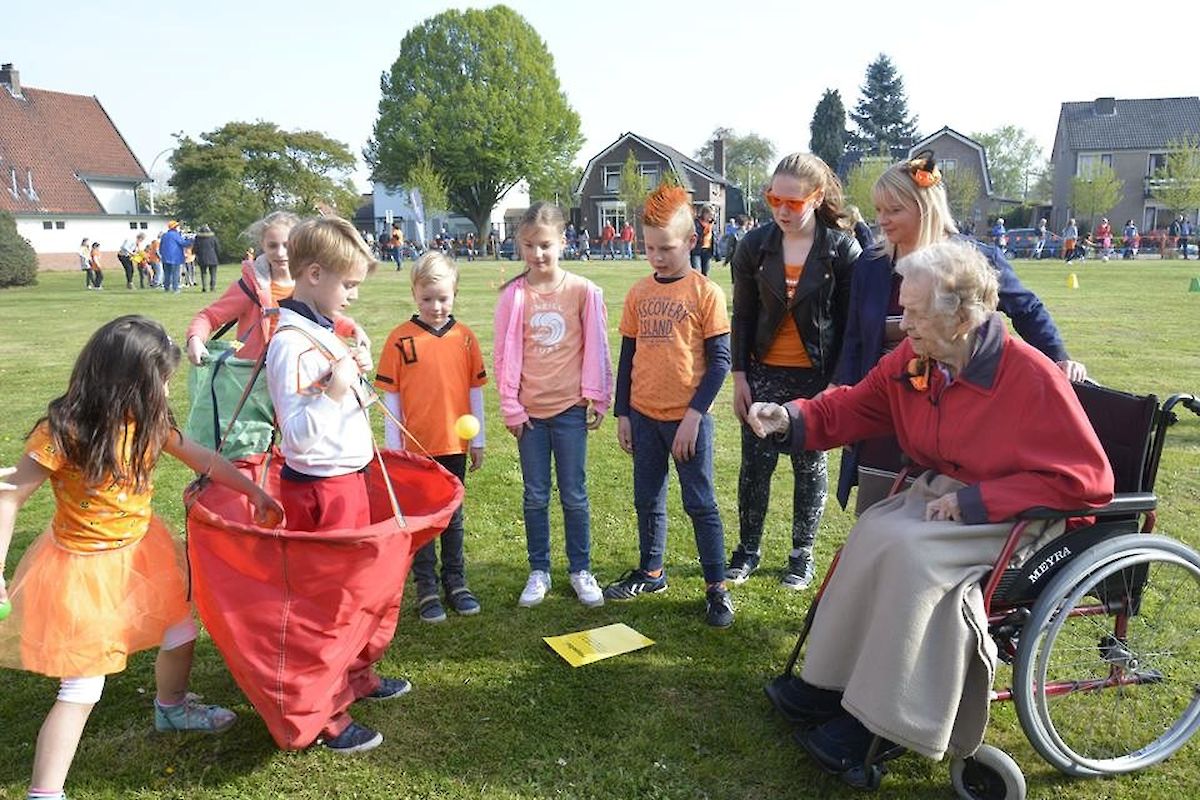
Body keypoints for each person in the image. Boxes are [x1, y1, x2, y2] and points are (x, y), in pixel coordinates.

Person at [747, 240, 1113, 781]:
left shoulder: (1030, 376)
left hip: (1016, 516)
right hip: (947, 494)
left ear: (963, 317)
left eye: (916, 311)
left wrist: (974, 502)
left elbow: (1087, 481)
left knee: (913, 560)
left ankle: (882, 722)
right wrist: (791, 419)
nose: (902, 321)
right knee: (873, 530)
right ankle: (829, 682)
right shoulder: (919, 360)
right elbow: (857, 402)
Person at [0, 315, 283, 800]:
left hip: (140, 554)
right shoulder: (63, 431)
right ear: (125, 383)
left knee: (181, 630)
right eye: (161, 383)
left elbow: (205, 459)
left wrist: (252, 491)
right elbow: (9, 497)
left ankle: (170, 706)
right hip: (81, 569)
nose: (167, 392)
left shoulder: (149, 421)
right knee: (83, 687)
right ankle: (44, 792)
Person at [835, 152, 1087, 514]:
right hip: (887, 409)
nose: (881, 220)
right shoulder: (872, 265)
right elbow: (855, 338)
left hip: (952, 415)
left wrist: (1060, 357)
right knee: (879, 515)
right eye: (878, 210)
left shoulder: (973, 259)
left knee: (939, 518)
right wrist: (846, 395)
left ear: (924, 207)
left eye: (893, 210)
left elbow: (1027, 308)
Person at [265, 215, 409, 754]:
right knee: (331, 607)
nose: (352, 294)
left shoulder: (320, 330)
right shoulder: (291, 344)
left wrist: (355, 379)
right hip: (322, 490)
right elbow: (298, 434)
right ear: (313, 273)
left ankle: (355, 677)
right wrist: (334, 390)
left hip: (347, 479)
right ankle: (325, 714)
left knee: (361, 593)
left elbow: (340, 403)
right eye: (347, 284)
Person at [725, 153, 862, 589]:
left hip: (815, 379)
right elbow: (743, 316)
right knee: (756, 467)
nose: (781, 210)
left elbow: (851, 325)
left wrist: (837, 384)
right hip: (763, 372)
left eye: (794, 202)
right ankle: (747, 551)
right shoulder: (753, 246)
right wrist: (740, 377)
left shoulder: (840, 249)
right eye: (773, 199)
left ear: (817, 198)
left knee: (809, 467)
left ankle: (801, 555)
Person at [603, 184, 734, 627]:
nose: (656, 256)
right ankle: (652, 571)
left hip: (688, 422)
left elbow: (720, 363)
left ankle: (716, 587)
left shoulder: (705, 294)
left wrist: (693, 417)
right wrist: (623, 411)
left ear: (692, 241)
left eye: (666, 248)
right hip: (644, 417)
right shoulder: (639, 293)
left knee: (700, 503)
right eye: (649, 248)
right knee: (647, 499)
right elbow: (627, 357)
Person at [493, 202, 612, 610]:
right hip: (530, 416)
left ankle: (581, 569)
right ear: (519, 246)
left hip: (569, 412)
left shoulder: (583, 291)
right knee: (535, 495)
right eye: (528, 246)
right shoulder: (514, 295)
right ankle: (539, 570)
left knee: (575, 495)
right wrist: (511, 407)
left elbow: (598, 345)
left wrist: (598, 395)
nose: (537, 254)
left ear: (563, 242)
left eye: (545, 245)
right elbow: (503, 355)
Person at [375, 251, 487, 623]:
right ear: (414, 295)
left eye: (443, 298)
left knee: (453, 517)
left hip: (455, 446)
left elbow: (475, 391)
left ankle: (456, 581)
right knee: (421, 521)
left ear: (454, 294)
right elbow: (391, 400)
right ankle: (426, 587)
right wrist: (393, 451)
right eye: (427, 299)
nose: (436, 307)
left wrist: (480, 438)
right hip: (414, 451)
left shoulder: (465, 338)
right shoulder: (400, 340)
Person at [185, 211, 368, 366]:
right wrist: (195, 338)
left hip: (299, 371)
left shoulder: (310, 283)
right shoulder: (250, 285)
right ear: (263, 246)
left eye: (287, 246)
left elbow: (324, 319)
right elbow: (209, 316)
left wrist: (353, 329)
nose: (280, 253)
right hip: (255, 378)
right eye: (273, 246)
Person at [159, 221, 190, 294]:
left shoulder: (164, 235)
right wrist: (190, 240)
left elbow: (160, 247)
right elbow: (183, 243)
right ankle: (175, 289)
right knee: (175, 273)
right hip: (175, 258)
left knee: (167, 274)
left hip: (165, 258)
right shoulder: (176, 235)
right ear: (175, 227)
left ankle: (166, 288)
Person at [689, 204, 718, 275]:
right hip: (697, 250)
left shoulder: (712, 224)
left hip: (707, 251)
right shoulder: (696, 223)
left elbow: (715, 239)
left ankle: (703, 286)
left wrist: (717, 253)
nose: (712, 216)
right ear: (704, 214)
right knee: (697, 272)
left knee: (705, 273)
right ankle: (696, 285)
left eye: (713, 214)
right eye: (710, 214)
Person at [192, 224, 220, 292]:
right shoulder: (213, 238)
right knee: (213, 273)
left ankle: (204, 287)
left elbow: (195, 249)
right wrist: (217, 255)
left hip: (202, 258)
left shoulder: (198, 238)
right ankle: (212, 287)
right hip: (213, 258)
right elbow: (218, 248)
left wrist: (196, 254)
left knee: (203, 273)